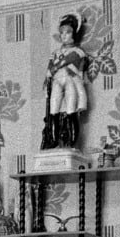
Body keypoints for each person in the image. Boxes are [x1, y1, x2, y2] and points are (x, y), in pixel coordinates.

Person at [42, 14, 92, 150]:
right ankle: (53, 140)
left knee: (71, 110)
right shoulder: (55, 52)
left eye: (68, 32)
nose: (64, 36)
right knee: (53, 110)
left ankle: (71, 141)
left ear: (73, 33)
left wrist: (55, 67)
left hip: (70, 81)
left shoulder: (77, 51)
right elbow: (50, 69)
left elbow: (70, 60)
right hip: (57, 81)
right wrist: (48, 78)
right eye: (62, 32)